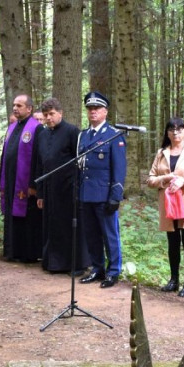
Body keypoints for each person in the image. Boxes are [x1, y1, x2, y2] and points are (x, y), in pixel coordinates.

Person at [146, 118, 184, 298]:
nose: (175, 133)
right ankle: (174, 279)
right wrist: (164, 178)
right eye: (172, 129)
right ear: (167, 133)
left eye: (180, 129)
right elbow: (151, 179)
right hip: (168, 204)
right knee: (172, 243)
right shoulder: (161, 153)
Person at [34, 98, 89, 274]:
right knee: (52, 225)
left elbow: (80, 161)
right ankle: (54, 262)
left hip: (68, 187)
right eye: (45, 115)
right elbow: (39, 164)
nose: (49, 118)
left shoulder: (72, 131)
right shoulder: (41, 134)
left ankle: (75, 264)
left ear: (60, 113)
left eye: (51, 114)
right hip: (49, 188)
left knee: (70, 226)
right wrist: (40, 193)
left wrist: (78, 187)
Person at [77, 91, 126, 288]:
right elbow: (81, 166)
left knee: (109, 235)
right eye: (90, 108)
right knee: (91, 235)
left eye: (97, 108)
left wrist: (115, 196)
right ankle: (97, 268)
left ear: (105, 111)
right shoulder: (83, 135)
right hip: (86, 193)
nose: (93, 112)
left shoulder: (114, 136)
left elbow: (119, 169)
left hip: (104, 195)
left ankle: (113, 271)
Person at [0, 94, 43, 263]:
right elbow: (6, 154)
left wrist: (34, 183)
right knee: (11, 215)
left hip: (25, 183)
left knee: (26, 217)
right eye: (14, 105)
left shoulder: (36, 128)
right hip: (10, 180)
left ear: (29, 108)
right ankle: (12, 251)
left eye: (19, 105)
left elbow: (37, 159)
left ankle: (27, 254)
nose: (15, 108)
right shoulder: (12, 127)